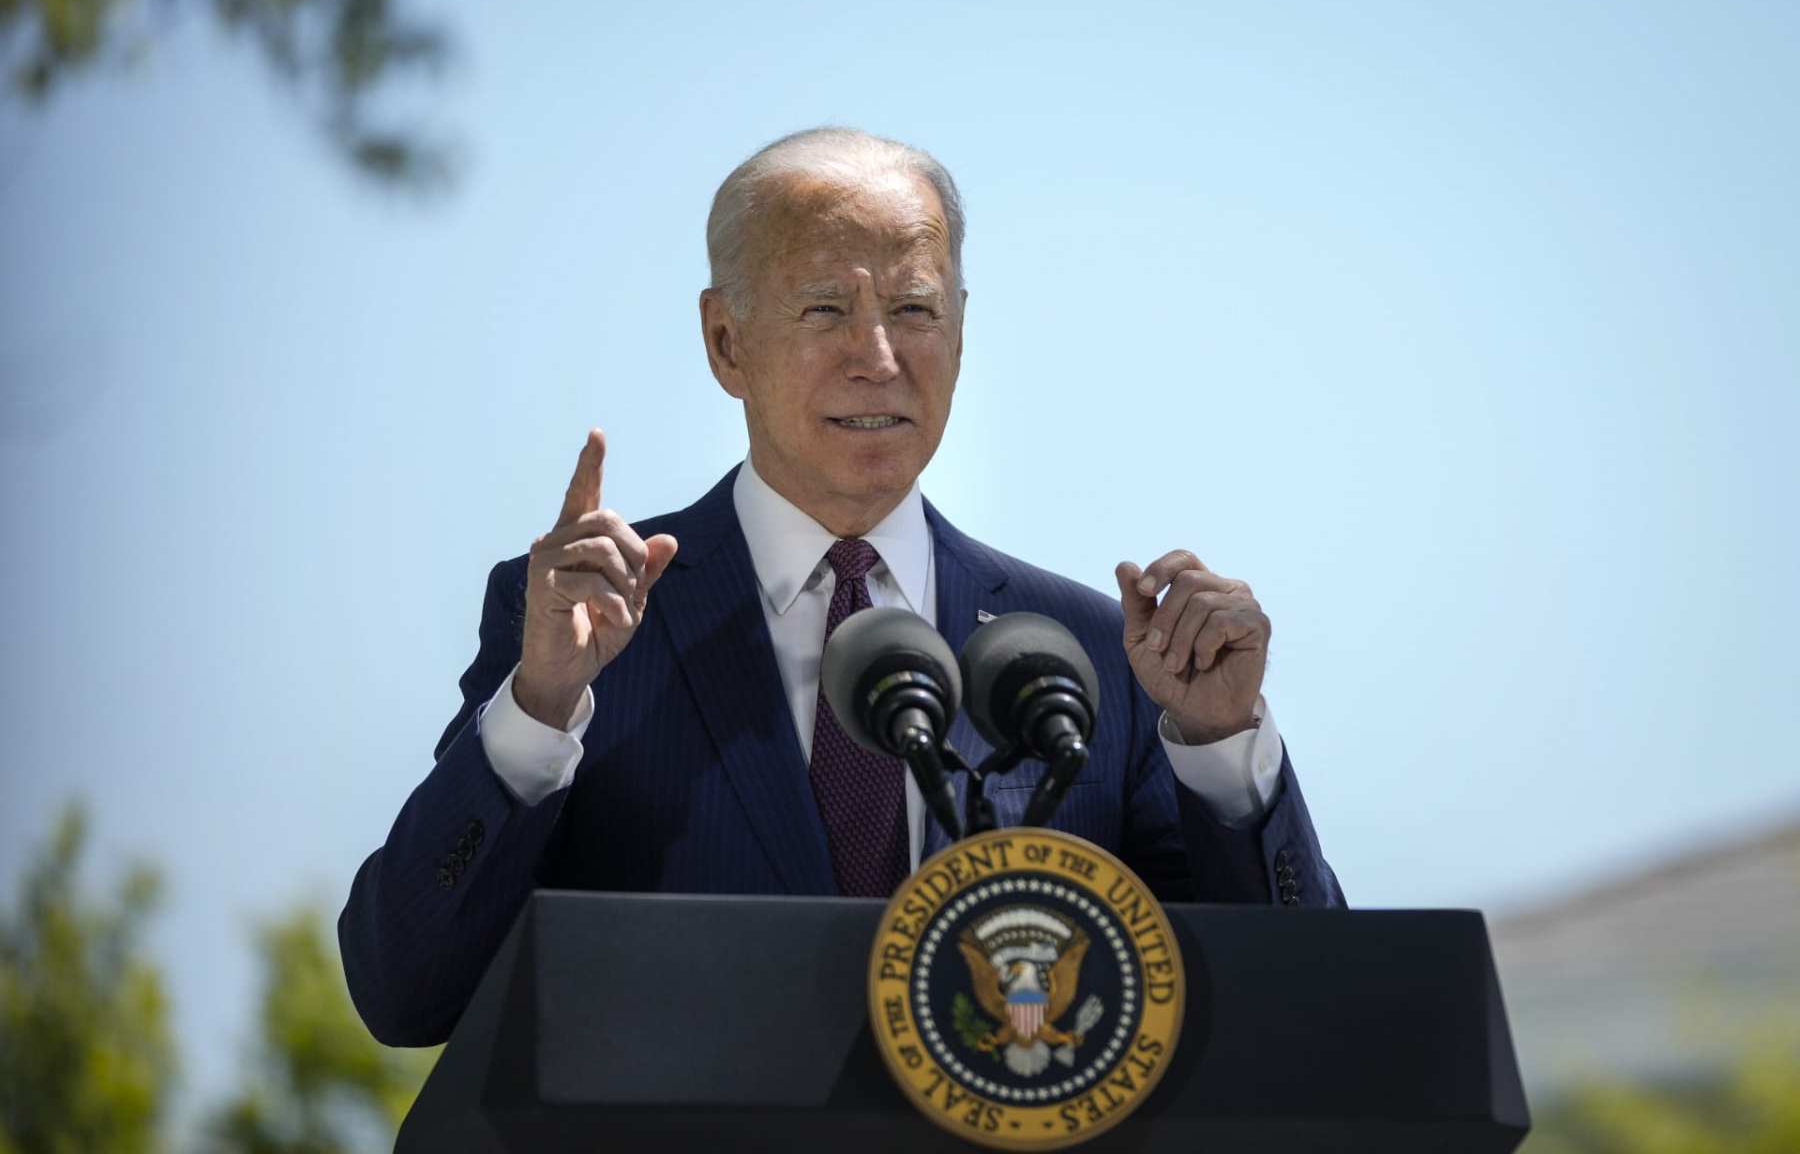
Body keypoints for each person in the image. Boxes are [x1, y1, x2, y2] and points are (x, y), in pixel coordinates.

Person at [339, 127, 1343, 1048]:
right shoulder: (582, 628)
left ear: (961, 330)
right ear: (727, 343)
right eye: (827, 310)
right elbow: (407, 991)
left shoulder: (1096, 662)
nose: (879, 360)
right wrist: (541, 711)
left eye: (915, 311)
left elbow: (1302, 1027)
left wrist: (1221, 748)